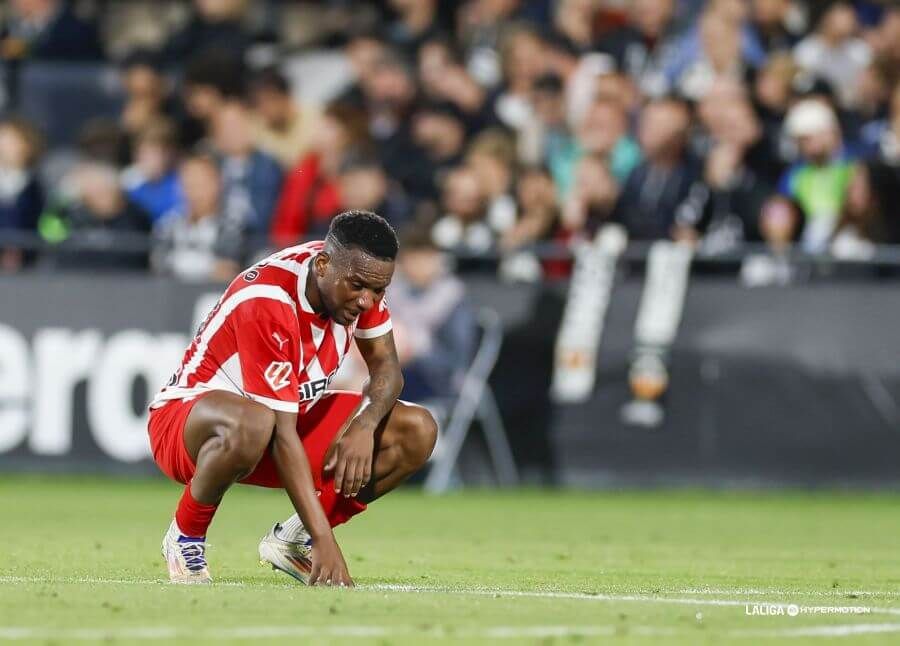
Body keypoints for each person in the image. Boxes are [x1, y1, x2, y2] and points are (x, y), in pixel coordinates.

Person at [148, 210, 437, 586]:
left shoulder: (355, 277)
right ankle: (185, 536)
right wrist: (326, 540)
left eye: (378, 291)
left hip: (277, 427)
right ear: (322, 265)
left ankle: (291, 539)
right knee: (255, 421)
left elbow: (387, 372)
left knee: (416, 429)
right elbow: (281, 433)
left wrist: (365, 426)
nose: (367, 301)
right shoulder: (268, 298)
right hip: (188, 427)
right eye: (359, 287)